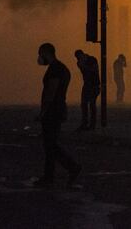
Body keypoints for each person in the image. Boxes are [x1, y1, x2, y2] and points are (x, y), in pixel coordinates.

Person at [35, 43, 81, 188]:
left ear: (47, 53)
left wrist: (43, 112)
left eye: (41, 54)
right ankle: (50, 176)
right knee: (50, 144)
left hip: (52, 111)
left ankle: (71, 167)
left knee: (50, 145)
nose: (39, 58)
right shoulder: (62, 68)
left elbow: (51, 92)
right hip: (58, 109)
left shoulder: (55, 70)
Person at [74, 50, 100, 130]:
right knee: (84, 104)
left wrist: (84, 65)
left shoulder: (92, 59)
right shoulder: (80, 62)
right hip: (88, 85)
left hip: (94, 85)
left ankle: (91, 124)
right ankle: (86, 123)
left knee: (91, 104)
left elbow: (93, 70)